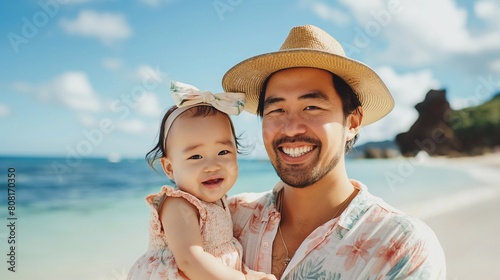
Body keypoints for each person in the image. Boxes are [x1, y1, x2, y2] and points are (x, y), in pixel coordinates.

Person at [222, 25, 446, 279]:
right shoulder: (230, 218)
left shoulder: (400, 245)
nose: (292, 128)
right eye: (277, 110)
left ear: (352, 122)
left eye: (312, 107)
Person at [127, 81, 276, 280]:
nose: (212, 165)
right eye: (196, 157)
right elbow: (190, 260)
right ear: (170, 168)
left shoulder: (219, 203)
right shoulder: (178, 204)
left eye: (223, 152)